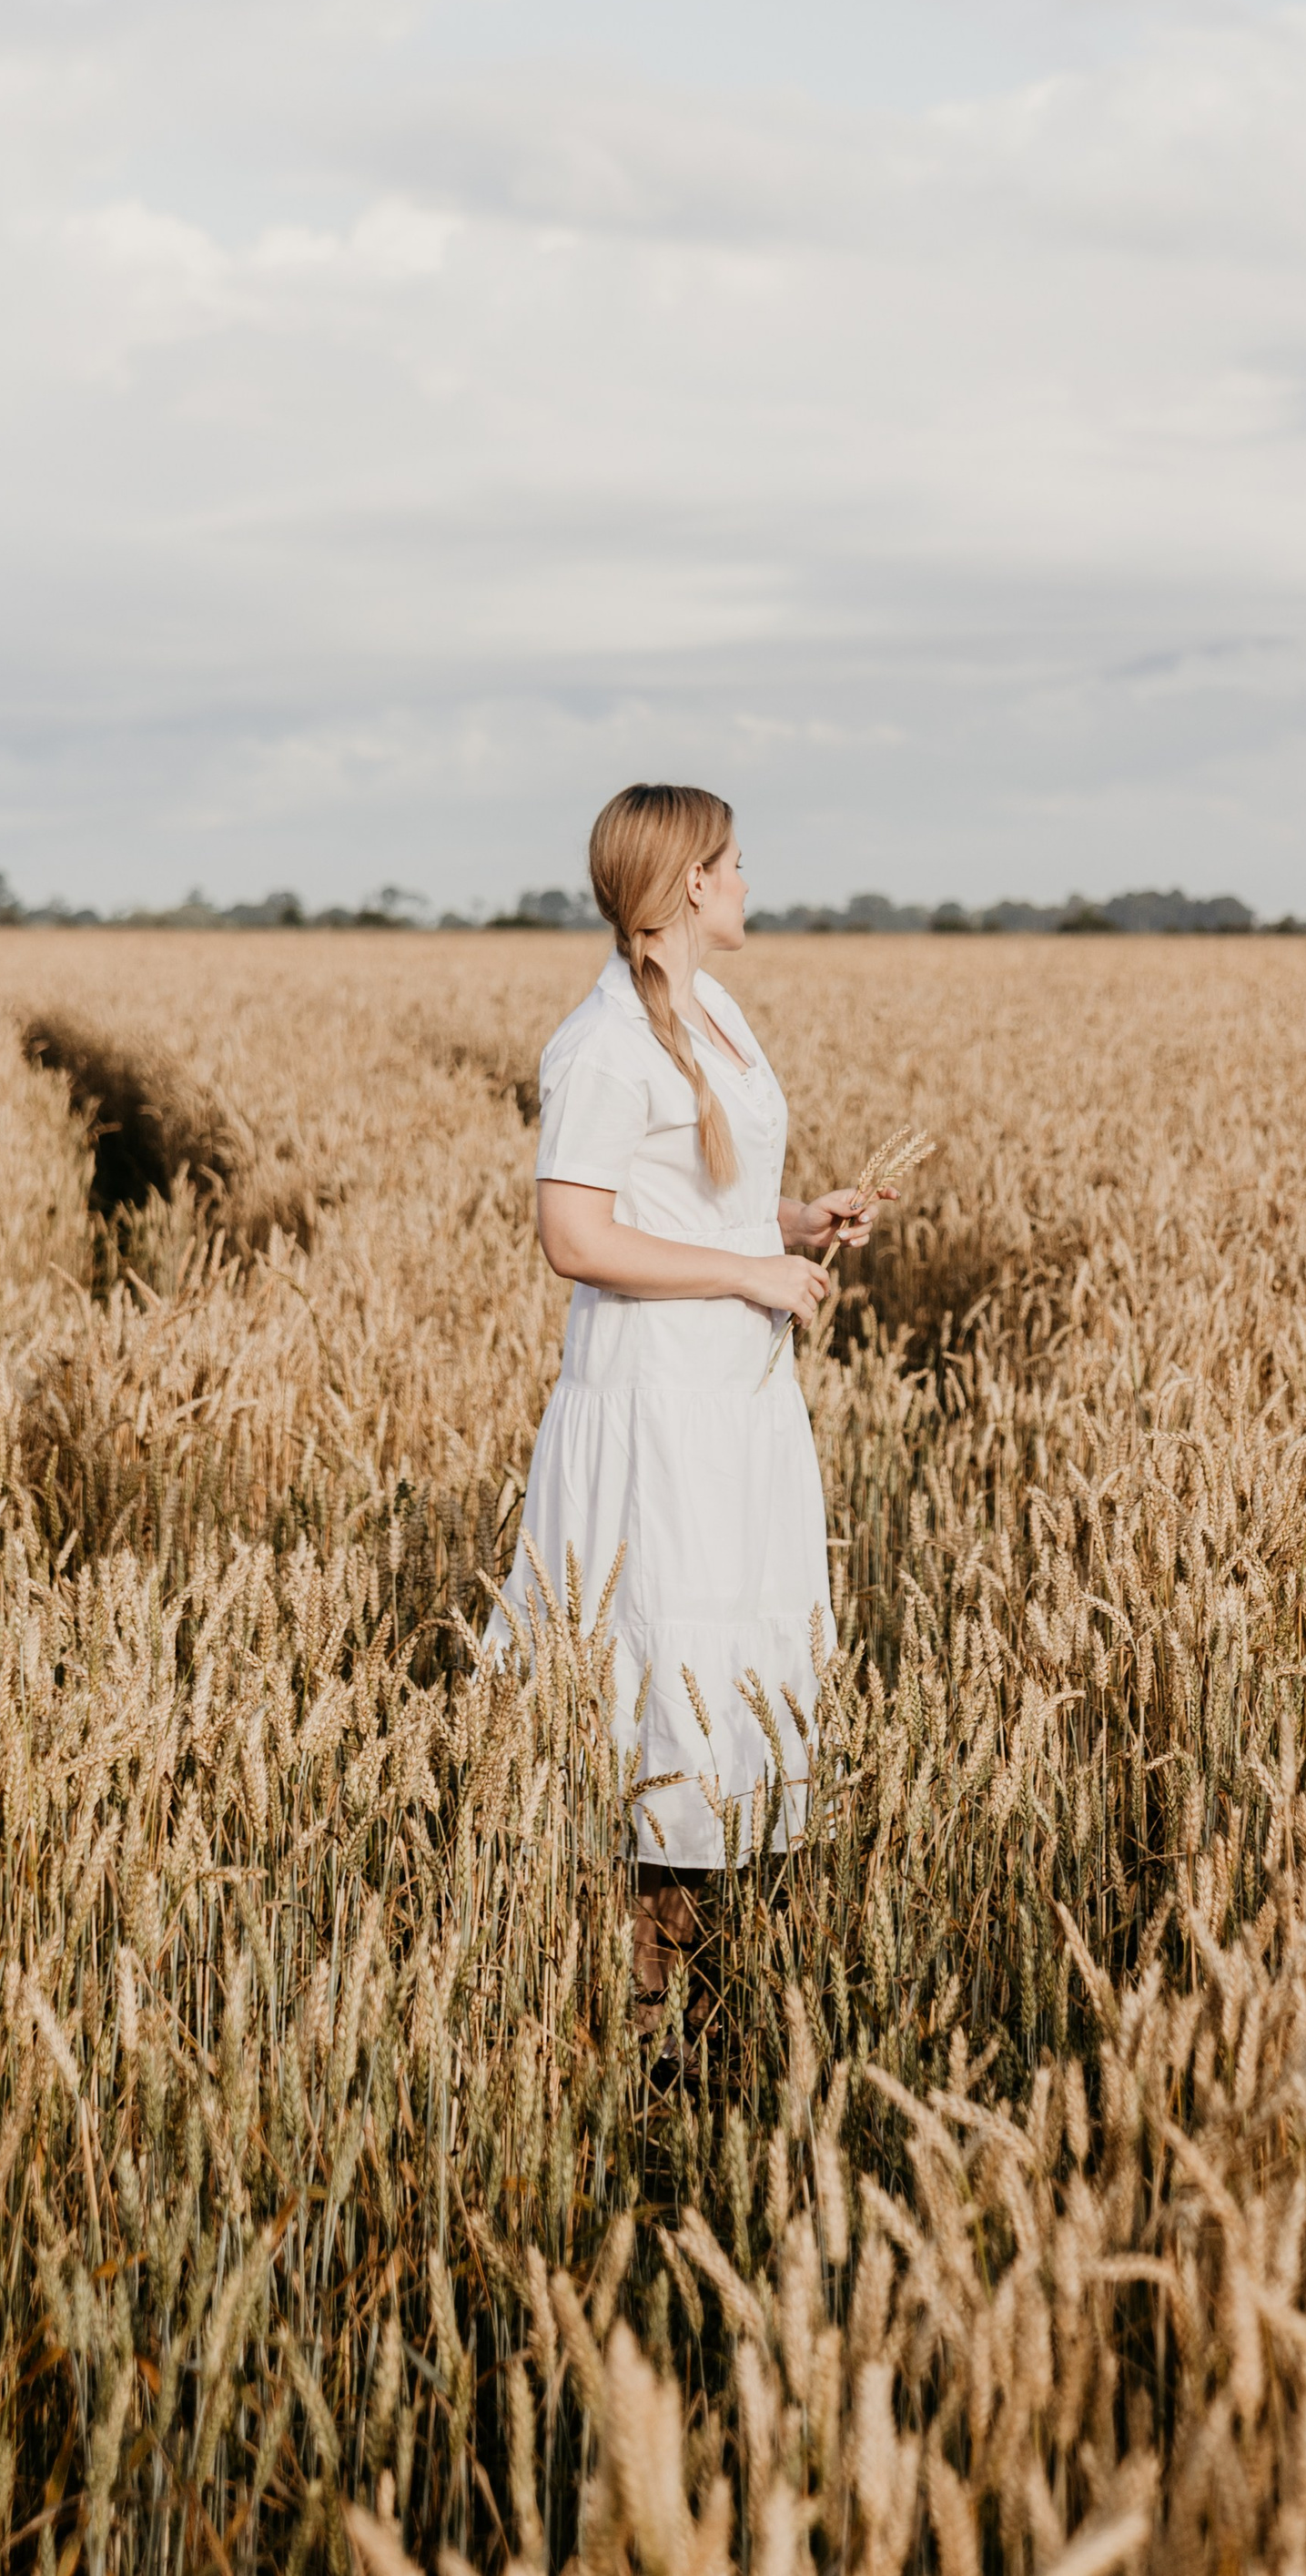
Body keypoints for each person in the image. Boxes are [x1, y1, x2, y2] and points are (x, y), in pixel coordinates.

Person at [481, 783, 891, 2037]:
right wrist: (745, 1270)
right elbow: (574, 1234)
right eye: (732, 861)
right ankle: (639, 2018)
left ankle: (687, 2005)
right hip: (656, 1404)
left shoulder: (714, 1011)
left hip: (733, 1397)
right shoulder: (601, 1043)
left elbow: (692, 1206)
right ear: (687, 887)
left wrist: (796, 1222)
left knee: (721, 1677)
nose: (749, 879)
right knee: (664, 1677)